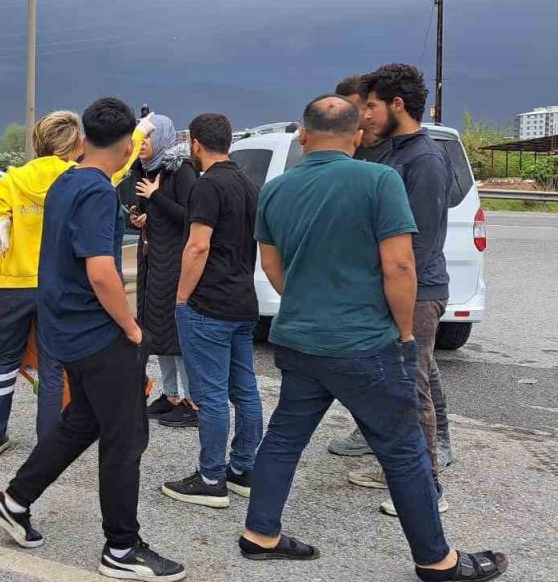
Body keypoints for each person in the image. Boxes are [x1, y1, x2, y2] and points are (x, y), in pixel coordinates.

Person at [241, 95, 506, 581]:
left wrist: (307, 300)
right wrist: (404, 331)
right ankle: (437, 561)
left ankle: (261, 534)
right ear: (357, 135)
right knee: (403, 449)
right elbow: (401, 266)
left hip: (299, 338)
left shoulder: (277, 189)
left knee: (283, 439)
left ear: (304, 134)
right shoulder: (379, 180)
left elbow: (271, 267)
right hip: (364, 343)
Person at [0, 97, 186, 582]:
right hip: (98, 332)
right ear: (127, 146)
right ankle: (121, 548)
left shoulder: (66, 180)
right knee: (126, 436)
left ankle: (14, 501)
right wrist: (133, 328)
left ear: (84, 138)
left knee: (81, 422)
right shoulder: (96, 190)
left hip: (66, 328)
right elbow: (100, 271)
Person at [328, 73, 454, 472]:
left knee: (410, 384)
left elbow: (419, 244)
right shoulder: (394, 152)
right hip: (396, 286)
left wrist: (392, 291)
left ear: (397, 105)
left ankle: (425, 481)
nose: (365, 115)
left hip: (415, 289)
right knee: (410, 374)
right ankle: (404, 465)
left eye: (372, 106)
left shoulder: (425, 159)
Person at [160, 112, 263, 510]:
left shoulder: (207, 186)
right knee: (245, 389)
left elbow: (198, 245)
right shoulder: (248, 184)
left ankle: (210, 477)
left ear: (196, 145)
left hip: (209, 304)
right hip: (242, 301)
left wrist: (182, 296)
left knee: (212, 395)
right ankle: (244, 468)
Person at [0, 111, 83, 456]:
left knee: (5, 359)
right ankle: (48, 447)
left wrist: (5, 226)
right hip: (57, 286)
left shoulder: (11, 180)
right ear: (74, 144)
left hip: (12, 283)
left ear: (38, 141)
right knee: (52, 366)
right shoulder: (77, 179)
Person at [126, 114, 198, 428]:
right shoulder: (144, 169)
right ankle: (171, 395)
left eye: (148, 138)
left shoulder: (181, 170)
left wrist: (156, 197)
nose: (142, 145)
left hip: (175, 264)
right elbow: (149, 213)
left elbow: (190, 216)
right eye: (139, 139)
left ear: (165, 137)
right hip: (153, 262)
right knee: (157, 332)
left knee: (177, 334)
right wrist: (139, 217)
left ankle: (194, 404)